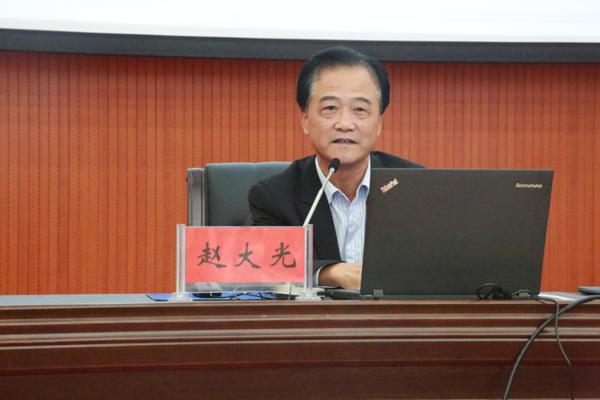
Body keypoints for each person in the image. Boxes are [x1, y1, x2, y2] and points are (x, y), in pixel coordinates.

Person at [248, 46, 422, 289]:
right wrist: (328, 272)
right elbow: (265, 265)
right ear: (305, 120)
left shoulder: (415, 186)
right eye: (330, 108)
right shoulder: (274, 197)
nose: (345, 124)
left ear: (379, 123)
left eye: (360, 110)